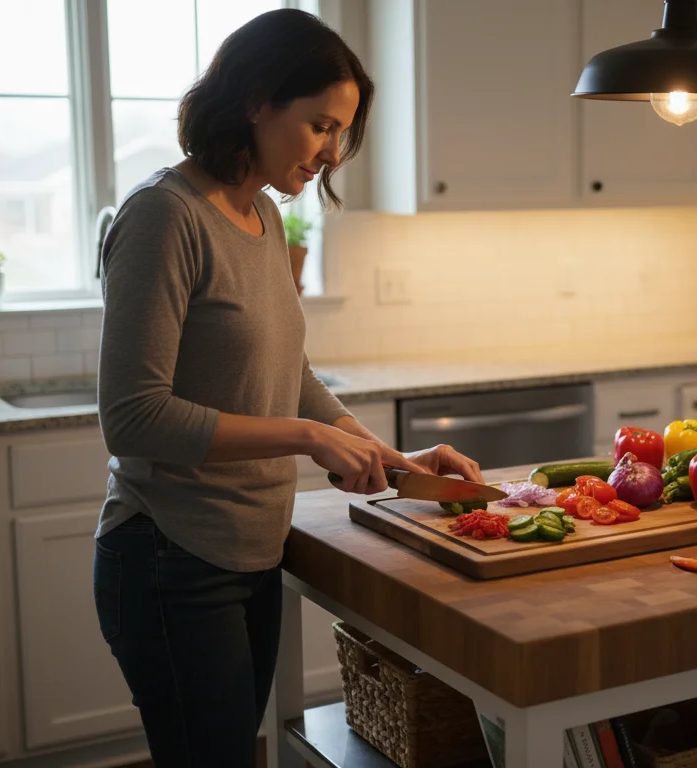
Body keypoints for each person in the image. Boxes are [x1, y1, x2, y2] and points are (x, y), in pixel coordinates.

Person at [91, 10, 482, 767]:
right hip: (170, 556)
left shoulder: (263, 215)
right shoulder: (164, 217)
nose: (331, 152)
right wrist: (308, 439)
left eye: (341, 133)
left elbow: (288, 378)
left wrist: (398, 459)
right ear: (255, 101)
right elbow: (134, 418)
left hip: (252, 549)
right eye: (319, 127)